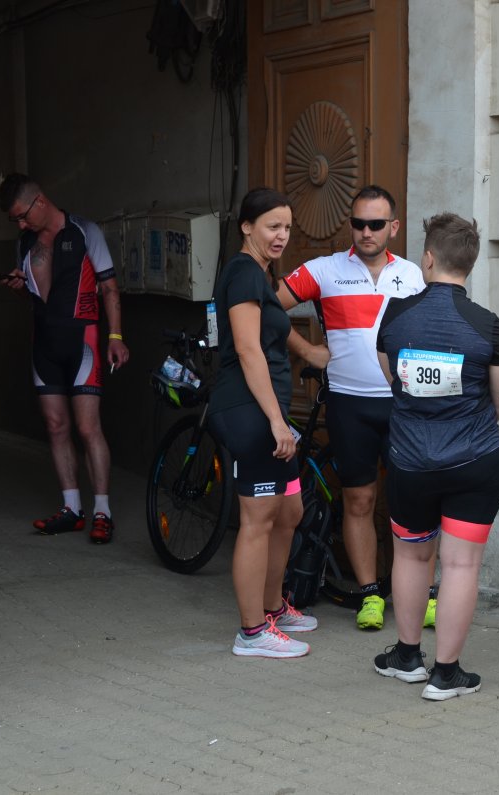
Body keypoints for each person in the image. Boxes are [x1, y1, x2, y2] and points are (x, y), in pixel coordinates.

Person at [372, 213, 499, 700]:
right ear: (469, 265)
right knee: (460, 567)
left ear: (428, 258)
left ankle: (407, 656)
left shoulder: (396, 315)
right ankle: (446, 674)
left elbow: (391, 377)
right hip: (476, 462)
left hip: (410, 463)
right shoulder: (488, 325)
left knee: (412, 556)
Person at [277, 185, 428, 631]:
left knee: (413, 501)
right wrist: (307, 350)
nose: (366, 232)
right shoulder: (324, 270)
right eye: (358, 223)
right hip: (349, 404)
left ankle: (419, 592)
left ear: (393, 227)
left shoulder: (413, 275)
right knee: (359, 499)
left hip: (404, 405)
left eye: (375, 224)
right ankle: (369, 594)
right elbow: (266, 306)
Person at [210, 188, 317, 659]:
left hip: (267, 409)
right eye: (273, 226)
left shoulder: (259, 274)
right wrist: (276, 420)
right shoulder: (242, 273)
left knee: (289, 511)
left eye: (287, 227)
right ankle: (252, 632)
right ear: (247, 227)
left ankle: (274, 606)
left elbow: (272, 331)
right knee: (257, 520)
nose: (282, 236)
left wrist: (309, 352)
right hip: (249, 411)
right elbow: (248, 348)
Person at [0, 173, 130, 544]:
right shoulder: (25, 242)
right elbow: (32, 297)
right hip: (45, 345)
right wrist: (18, 287)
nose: (21, 224)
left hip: (83, 342)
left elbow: (109, 287)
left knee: (88, 428)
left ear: (39, 201)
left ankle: (102, 511)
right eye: (15, 220)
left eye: (22, 216)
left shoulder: (84, 231)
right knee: (56, 426)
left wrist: (116, 336)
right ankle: (72, 509)